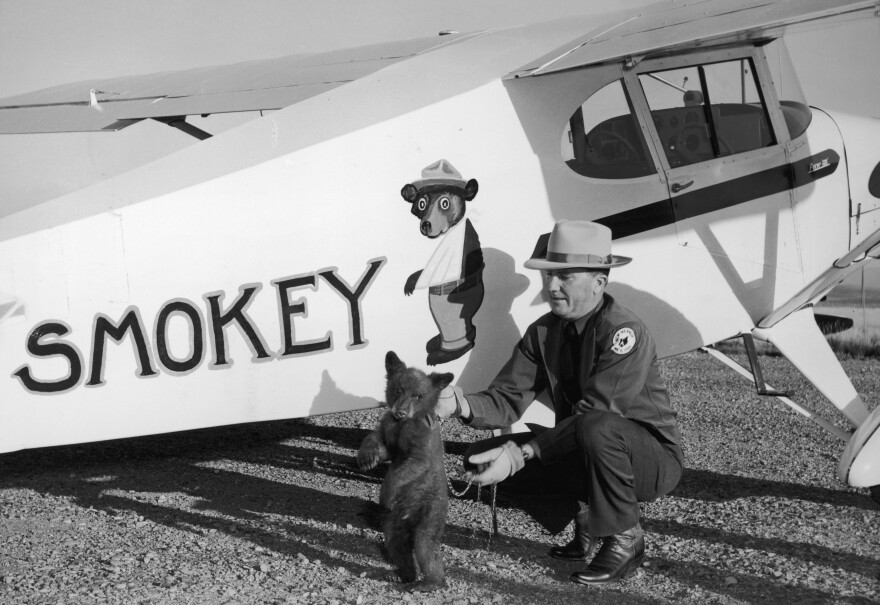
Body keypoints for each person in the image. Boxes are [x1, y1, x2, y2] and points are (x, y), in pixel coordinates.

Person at [437, 220, 682, 585]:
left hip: (649, 461)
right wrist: (461, 404)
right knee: (479, 454)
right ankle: (586, 523)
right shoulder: (543, 331)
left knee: (594, 426)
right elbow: (507, 398)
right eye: (548, 275)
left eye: (565, 276)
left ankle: (625, 537)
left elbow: (599, 413)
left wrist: (522, 454)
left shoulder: (624, 332)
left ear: (599, 281)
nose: (550, 286)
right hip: (585, 445)